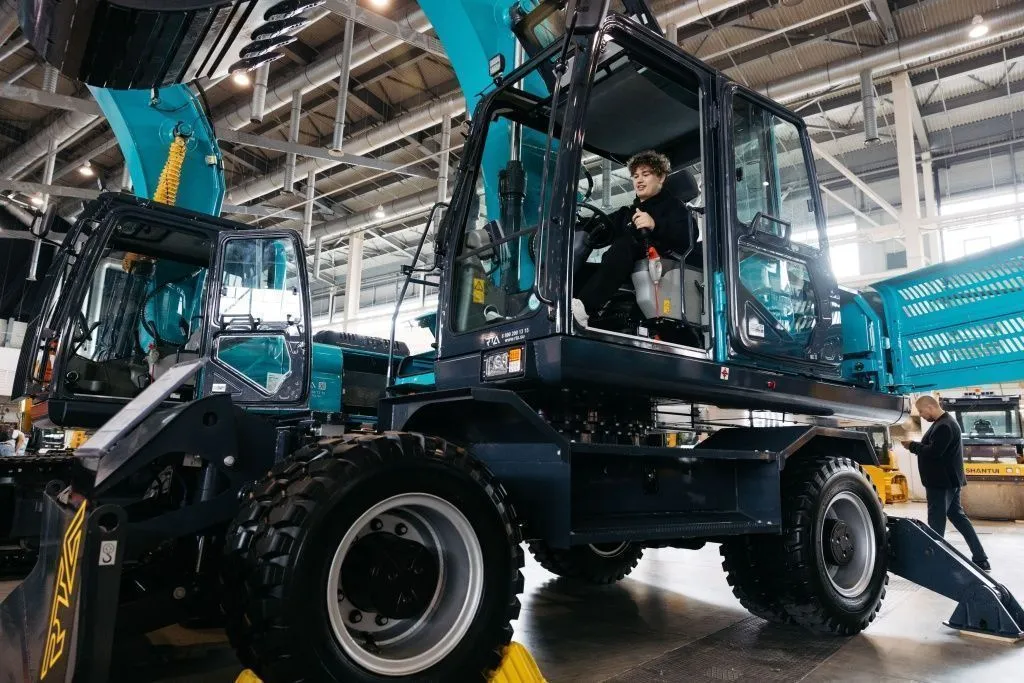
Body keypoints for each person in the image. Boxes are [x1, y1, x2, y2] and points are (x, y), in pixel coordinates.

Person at [572, 150, 694, 326]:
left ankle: (585, 308)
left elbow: (688, 236)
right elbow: (602, 225)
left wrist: (655, 225)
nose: (639, 180)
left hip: (660, 269)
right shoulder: (627, 213)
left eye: (646, 174)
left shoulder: (674, 207)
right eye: (635, 176)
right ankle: (570, 308)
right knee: (582, 270)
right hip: (623, 270)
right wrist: (578, 224)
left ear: (660, 178)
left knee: (625, 244)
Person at [901, 395, 990, 571]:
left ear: (930, 407)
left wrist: (912, 446)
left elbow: (935, 452)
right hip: (948, 481)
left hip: (941, 483)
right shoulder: (944, 423)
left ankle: (935, 562)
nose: (921, 415)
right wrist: (915, 445)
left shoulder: (944, 426)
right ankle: (980, 558)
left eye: (921, 411)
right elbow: (936, 447)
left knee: (936, 522)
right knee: (959, 518)